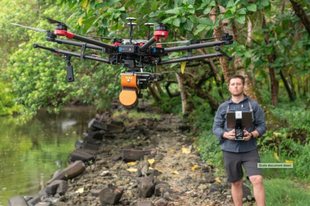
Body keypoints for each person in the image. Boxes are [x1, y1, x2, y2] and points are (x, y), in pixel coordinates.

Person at [212, 74, 266, 206]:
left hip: (249, 150)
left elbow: (262, 126)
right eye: (233, 84)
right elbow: (216, 128)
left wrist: (252, 134)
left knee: (257, 179)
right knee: (236, 182)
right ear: (229, 88)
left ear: (243, 86)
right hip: (230, 150)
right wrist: (225, 134)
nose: (235, 86)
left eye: (238, 84)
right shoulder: (224, 107)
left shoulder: (253, 105)